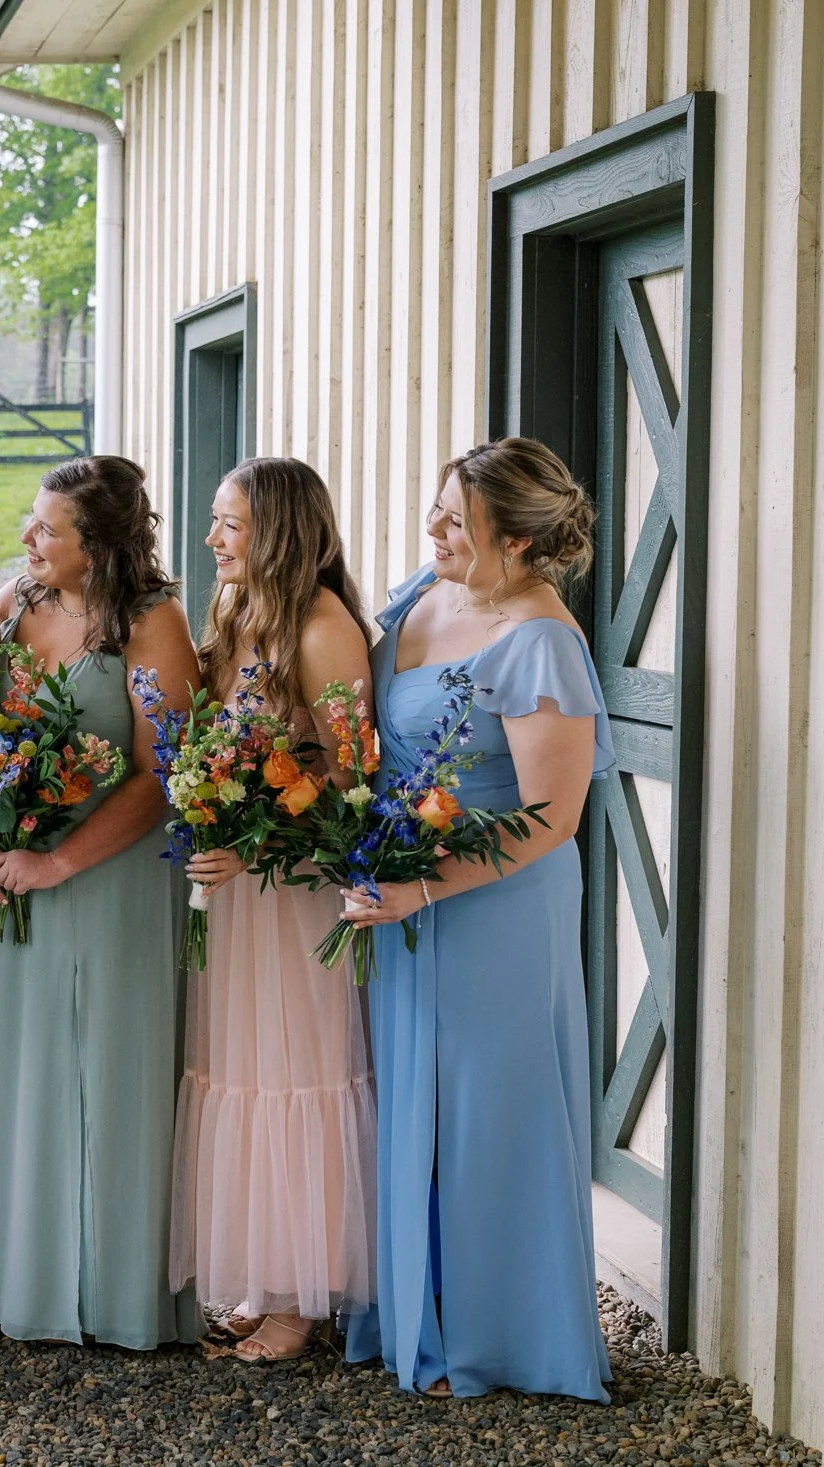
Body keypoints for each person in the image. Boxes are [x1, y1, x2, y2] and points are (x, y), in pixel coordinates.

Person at [341, 438, 614, 1400]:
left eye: (455, 520)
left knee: (489, 1111)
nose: (433, 530)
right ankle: (416, 1312)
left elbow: (552, 815)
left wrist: (425, 885)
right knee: (410, 1092)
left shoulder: (540, 641)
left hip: (494, 903)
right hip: (400, 882)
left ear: (519, 539)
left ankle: (502, 1335)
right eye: (438, 510)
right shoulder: (427, 589)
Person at [0, 456, 205, 1348]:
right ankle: (5, 1276)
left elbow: (158, 774)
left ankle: (108, 1291)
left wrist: (60, 863)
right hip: (7, 875)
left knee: (107, 1063)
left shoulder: (150, 622)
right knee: (12, 1062)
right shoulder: (15, 605)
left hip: (112, 876)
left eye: (48, 529)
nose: (29, 539)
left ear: (97, 547)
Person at [167, 456, 377, 1362]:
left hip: (292, 893)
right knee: (241, 1065)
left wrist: (259, 830)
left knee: (297, 1068)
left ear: (281, 531)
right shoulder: (235, 618)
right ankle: (260, 1278)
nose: (212, 538)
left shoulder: (322, 628)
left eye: (230, 523)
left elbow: (355, 774)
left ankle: (300, 1297)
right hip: (236, 894)